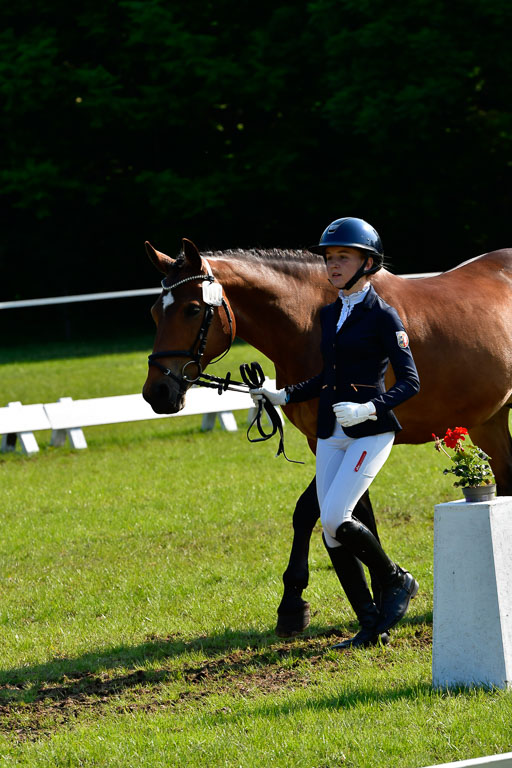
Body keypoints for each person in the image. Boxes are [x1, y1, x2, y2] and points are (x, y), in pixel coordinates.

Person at [251, 217, 420, 649]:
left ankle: (396, 579)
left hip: (370, 432)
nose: (333, 264)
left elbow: (409, 382)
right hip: (332, 431)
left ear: (368, 262)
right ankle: (368, 625)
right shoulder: (329, 315)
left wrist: (369, 407)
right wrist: (281, 396)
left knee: (333, 518)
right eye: (329, 258)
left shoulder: (384, 315)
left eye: (342, 257)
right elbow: (328, 376)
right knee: (330, 531)